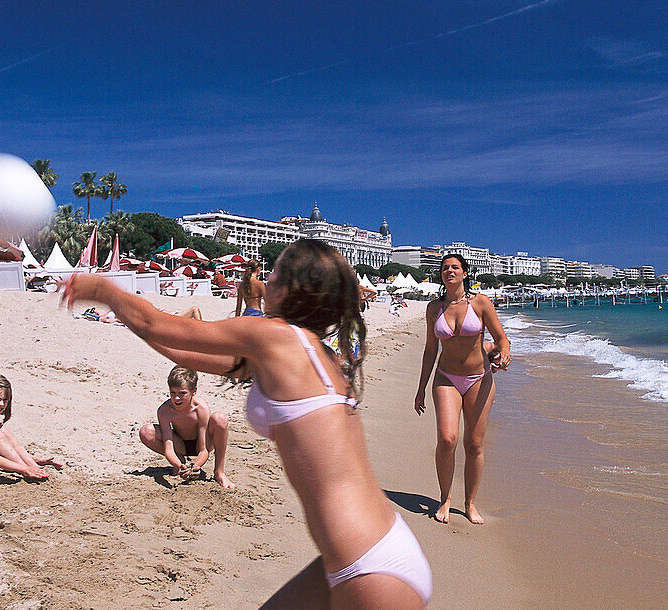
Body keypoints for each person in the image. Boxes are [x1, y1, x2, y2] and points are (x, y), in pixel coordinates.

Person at [63, 239, 432, 608]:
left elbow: (157, 323)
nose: (264, 281)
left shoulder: (276, 337)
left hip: (371, 569)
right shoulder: (313, 353)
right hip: (367, 552)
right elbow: (178, 348)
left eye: (273, 273)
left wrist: (104, 288)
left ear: (290, 288)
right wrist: (134, 321)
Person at [414, 254, 511, 525]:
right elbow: (430, 350)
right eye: (445, 268)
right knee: (447, 439)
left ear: (465, 273)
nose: (449, 271)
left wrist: (503, 353)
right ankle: (445, 498)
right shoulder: (434, 308)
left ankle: (469, 503)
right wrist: (421, 388)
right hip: (446, 377)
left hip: (479, 378)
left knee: (474, 444)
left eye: (455, 267)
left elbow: (502, 339)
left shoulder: (480, 303)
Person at [138, 366, 233, 488]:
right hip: (180, 445)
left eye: (182, 393)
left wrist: (196, 465)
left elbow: (204, 450)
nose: (176, 398)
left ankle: (219, 472)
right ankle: (180, 463)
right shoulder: (165, 410)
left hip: (201, 443)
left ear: (194, 391)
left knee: (220, 418)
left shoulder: (200, 408)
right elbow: (169, 448)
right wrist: (178, 465)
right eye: (173, 393)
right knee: (146, 431)